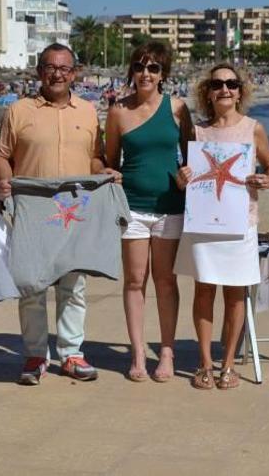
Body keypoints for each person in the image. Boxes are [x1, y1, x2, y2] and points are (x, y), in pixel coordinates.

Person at [0, 43, 109, 385]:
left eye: (64, 68)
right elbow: (1, 155)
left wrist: (106, 173)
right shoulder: (18, 110)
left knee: (74, 285)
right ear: (39, 71)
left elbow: (95, 158)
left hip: (75, 211)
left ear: (74, 73)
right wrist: (3, 179)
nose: (57, 74)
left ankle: (72, 353)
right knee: (32, 285)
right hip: (32, 212)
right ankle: (34, 355)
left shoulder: (88, 111)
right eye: (50, 67)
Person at [175, 63, 269, 391]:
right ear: (207, 91)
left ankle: (229, 364)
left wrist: (268, 179)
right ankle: (205, 363)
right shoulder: (197, 132)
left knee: (236, 294)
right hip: (203, 222)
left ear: (240, 91)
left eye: (232, 84)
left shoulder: (253, 128)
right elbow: (186, 177)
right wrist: (183, 179)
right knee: (203, 291)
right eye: (218, 84)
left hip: (240, 222)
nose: (225, 89)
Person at [104, 42, 193, 382]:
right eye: (140, 67)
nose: (146, 73)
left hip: (170, 206)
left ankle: (166, 351)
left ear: (163, 74)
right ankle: (138, 352)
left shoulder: (178, 109)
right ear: (132, 71)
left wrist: (188, 176)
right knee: (134, 281)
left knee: (166, 281)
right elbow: (110, 161)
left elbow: (192, 158)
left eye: (153, 68)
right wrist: (108, 172)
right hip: (132, 208)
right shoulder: (117, 112)